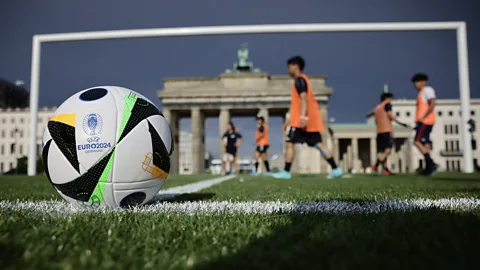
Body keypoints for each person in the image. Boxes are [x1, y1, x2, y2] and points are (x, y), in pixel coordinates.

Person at [272, 56, 343, 179]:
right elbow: (298, 104)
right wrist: (290, 119)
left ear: (296, 66)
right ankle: (336, 169)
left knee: (289, 143)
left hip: (300, 121)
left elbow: (304, 98)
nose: (288, 70)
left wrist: (303, 117)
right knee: (319, 144)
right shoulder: (303, 80)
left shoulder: (299, 80)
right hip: (306, 120)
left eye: (289, 67)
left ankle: (286, 172)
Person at [371, 92, 410, 176]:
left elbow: (376, 121)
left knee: (383, 151)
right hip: (386, 130)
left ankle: (386, 170)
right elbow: (390, 115)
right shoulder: (387, 105)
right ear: (387, 98)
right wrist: (401, 123)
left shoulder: (377, 108)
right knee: (388, 149)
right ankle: (376, 164)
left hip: (379, 131)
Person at [411, 73, 440, 176]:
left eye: (417, 82)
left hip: (425, 121)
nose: (415, 84)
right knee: (425, 144)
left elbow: (432, 102)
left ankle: (431, 164)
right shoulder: (422, 92)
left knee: (416, 141)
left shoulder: (427, 90)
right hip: (425, 121)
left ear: (423, 81)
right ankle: (428, 168)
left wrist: (423, 117)